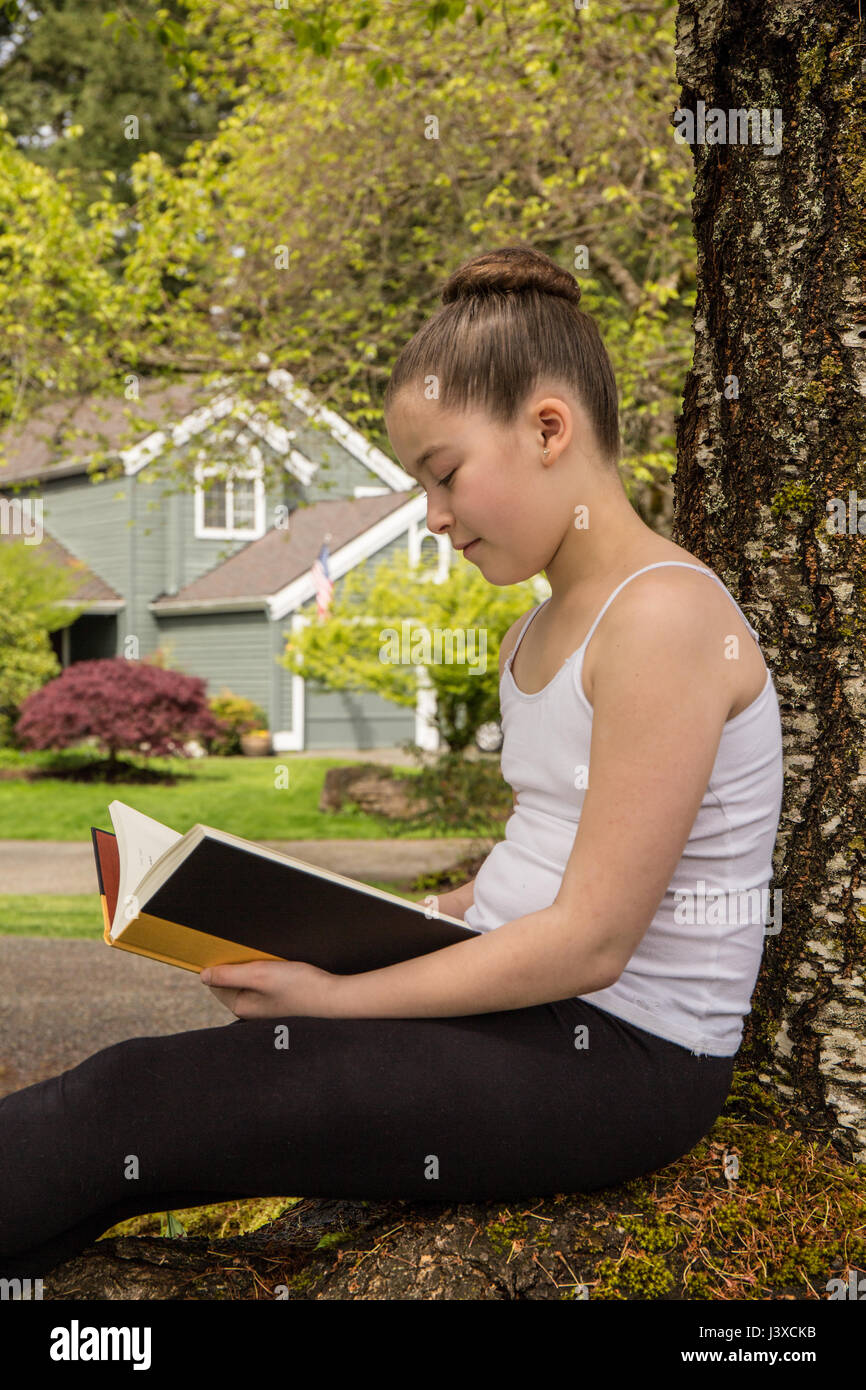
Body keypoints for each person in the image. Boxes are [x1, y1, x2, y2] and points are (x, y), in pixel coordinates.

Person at [0, 244, 784, 1281]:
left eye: (443, 474)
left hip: (620, 1060)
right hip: (531, 1008)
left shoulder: (665, 618)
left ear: (548, 428)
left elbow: (592, 939)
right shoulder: (541, 631)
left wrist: (334, 1000)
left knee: (127, 1103)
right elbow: (541, 861)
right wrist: (339, 921)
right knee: (126, 1111)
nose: (434, 518)